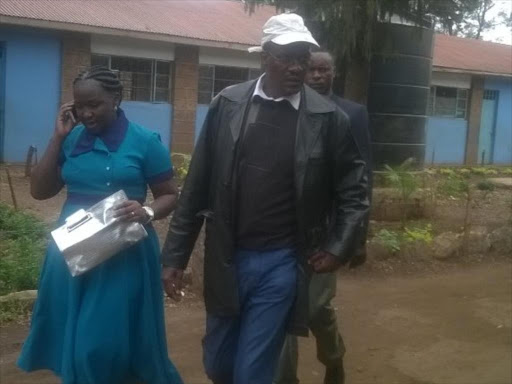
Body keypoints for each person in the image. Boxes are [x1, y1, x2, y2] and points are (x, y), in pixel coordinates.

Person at [161, 14, 369, 384]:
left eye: (302, 57)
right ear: (264, 57)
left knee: (253, 370)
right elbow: (196, 187)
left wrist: (340, 245)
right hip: (227, 258)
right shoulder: (228, 105)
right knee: (218, 364)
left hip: (282, 263)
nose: (296, 67)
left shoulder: (328, 119)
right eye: (286, 56)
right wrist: (175, 256)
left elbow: (355, 189)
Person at [17, 66, 183, 384]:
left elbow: (169, 195)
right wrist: (57, 137)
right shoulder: (71, 139)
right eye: (80, 106)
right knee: (73, 336)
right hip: (73, 251)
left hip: (124, 255)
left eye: (95, 105)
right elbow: (39, 191)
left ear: (116, 99)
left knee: (100, 345)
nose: (86, 113)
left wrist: (147, 210)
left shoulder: (145, 141)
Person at [274, 51, 372, 384]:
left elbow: (359, 182)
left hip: (324, 234)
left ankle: (333, 357)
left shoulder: (351, 114)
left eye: (323, 70)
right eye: (312, 70)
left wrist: (354, 239)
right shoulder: (285, 109)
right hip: (281, 232)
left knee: (316, 309)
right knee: (283, 311)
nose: (316, 75)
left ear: (335, 73)